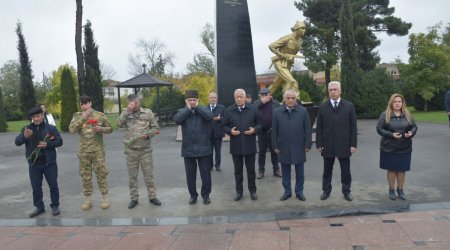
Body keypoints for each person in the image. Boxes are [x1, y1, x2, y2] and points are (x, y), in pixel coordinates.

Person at [15, 106, 63, 217]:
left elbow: (60, 141)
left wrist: (48, 144)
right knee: (36, 187)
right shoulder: (27, 129)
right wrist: (24, 136)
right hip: (33, 164)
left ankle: (55, 206)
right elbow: (17, 142)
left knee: (53, 185)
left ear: (42, 115)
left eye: (38, 116)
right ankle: (39, 207)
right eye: (34, 117)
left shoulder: (50, 128)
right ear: (31, 118)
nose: (36, 119)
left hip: (49, 163)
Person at [117, 94, 161, 209]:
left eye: (135, 102)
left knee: (149, 176)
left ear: (138, 101)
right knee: (132, 177)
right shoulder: (125, 112)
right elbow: (118, 124)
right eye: (131, 103)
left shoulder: (147, 113)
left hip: (145, 150)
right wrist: (128, 111)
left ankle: (152, 196)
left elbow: (155, 128)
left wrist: (148, 135)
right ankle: (134, 198)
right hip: (130, 150)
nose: (134, 105)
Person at [69, 95, 113, 210]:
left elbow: (110, 129)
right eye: (81, 104)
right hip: (84, 152)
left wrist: (101, 129)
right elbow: (71, 129)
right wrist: (83, 117)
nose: (84, 105)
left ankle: (105, 198)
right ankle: (88, 200)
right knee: (86, 176)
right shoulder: (77, 116)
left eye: (86, 103)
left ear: (90, 103)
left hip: (97, 151)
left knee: (101, 174)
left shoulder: (99, 115)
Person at [316, 81, 357, 201]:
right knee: (327, 170)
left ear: (340, 91)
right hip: (327, 145)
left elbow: (353, 127)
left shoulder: (349, 106)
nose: (333, 92)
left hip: (344, 145)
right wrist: (319, 144)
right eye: (330, 90)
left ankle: (346, 191)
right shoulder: (322, 107)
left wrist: (353, 144)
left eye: (335, 89)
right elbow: (319, 128)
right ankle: (326, 191)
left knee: (345, 171)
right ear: (328, 92)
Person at [174, 90, 214, 205]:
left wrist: (197, 108)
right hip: (188, 149)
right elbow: (177, 120)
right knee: (190, 176)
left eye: (194, 100)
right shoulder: (182, 111)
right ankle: (193, 195)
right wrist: (188, 109)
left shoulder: (203, 109)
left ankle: (206, 195)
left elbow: (210, 117)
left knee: (206, 174)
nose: (192, 102)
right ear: (186, 101)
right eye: (189, 100)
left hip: (204, 148)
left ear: (198, 100)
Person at [221, 89, 262, 201]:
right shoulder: (229, 111)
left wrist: (255, 130)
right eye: (236, 97)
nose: (238, 99)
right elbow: (223, 126)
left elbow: (260, 123)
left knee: (251, 170)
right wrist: (230, 131)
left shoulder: (253, 109)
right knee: (238, 171)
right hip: (236, 146)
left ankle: (253, 191)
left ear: (245, 98)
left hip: (249, 145)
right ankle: (239, 192)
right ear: (234, 98)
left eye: (240, 97)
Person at [272, 90, 312, 201]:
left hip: (299, 146)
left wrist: (307, 144)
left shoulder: (303, 111)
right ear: (284, 99)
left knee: (300, 172)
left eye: (293, 98)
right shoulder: (277, 112)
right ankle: (287, 191)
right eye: (288, 98)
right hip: (283, 146)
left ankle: (299, 192)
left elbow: (308, 129)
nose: (290, 100)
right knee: (285, 172)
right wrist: (275, 145)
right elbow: (274, 131)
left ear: (296, 99)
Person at [376, 94, 418, 200]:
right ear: (391, 103)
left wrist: (411, 133)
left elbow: (414, 127)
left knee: (401, 170)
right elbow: (379, 129)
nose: (397, 103)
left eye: (399, 101)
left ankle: (400, 190)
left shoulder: (407, 114)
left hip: (405, 147)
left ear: (402, 103)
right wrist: (391, 135)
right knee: (391, 170)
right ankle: (391, 190)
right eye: (395, 101)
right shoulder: (385, 114)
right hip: (389, 147)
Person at [269, 20, 306, 94]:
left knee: (276, 83)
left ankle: (264, 98)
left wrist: (290, 59)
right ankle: (296, 99)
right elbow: (271, 46)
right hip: (280, 63)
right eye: (302, 28)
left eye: (304, 28)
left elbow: (292, 53)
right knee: (292, 81)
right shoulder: (287, 38)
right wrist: (281, 55)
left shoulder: (300, 41)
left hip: (288, 64)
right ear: (296, 29)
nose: (304, 30)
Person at [254, 87, 281, 179]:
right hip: (262, 131)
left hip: (273, 131)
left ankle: (276, 169)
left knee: (275, 151)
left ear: (270, 95)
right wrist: (262, 103)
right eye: (263, 95)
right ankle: (261, 170)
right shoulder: (257, 103)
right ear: (260, 96)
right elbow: (253, 112)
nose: (265, 97)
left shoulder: (275, 103)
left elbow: (280, 114)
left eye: (266, 95)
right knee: (262, 152)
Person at [207, 92, 226, 171]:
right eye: (211, 97)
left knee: (218, 151)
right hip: (208, 133)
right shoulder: (205, 108)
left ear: (217, 98)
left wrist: (220, 118)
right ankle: (210, 165)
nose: (213, 99)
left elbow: (226, 118)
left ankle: (217, 165)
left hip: (218, 133)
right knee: (209, 151)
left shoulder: (222, 107)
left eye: (214, 97)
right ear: (209, 99)